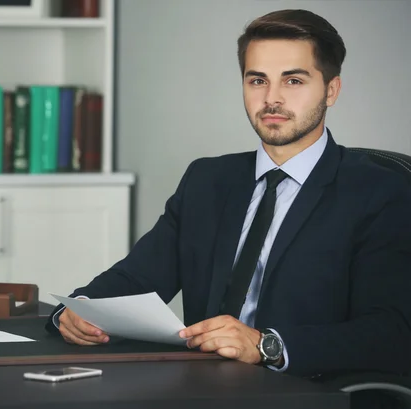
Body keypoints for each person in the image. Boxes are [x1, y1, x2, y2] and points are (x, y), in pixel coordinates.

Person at [45, 7, 411, 392]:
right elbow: (136, 277)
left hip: (306, 390)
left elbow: (391, 331)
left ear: (331, 90)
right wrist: (76, 309)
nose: (272, 98)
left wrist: (267, 345)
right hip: (201, 386)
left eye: (293, 81)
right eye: (257, 80)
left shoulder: (379, 192)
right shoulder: (207, 180)